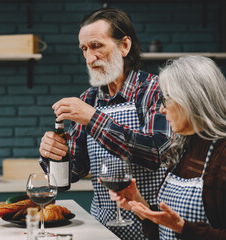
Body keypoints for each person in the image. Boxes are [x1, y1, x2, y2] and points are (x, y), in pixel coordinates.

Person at [39, 8, 173, 239]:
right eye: (84, 49)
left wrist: (93, 118)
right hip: (101, 228)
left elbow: (155, 152)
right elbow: (74, 171)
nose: (90, 58)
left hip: (151, 224)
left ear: (124, 46)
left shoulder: (155, 90)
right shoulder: (88, 100)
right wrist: (53, 155)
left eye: (97, 46)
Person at [109, 55, 226, 239]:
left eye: (166, 99)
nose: (162, 109)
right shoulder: (182, 148)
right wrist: (140, 205)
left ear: (192, 100)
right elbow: (166, 231)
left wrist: (183, 228)